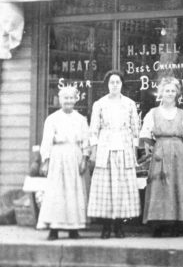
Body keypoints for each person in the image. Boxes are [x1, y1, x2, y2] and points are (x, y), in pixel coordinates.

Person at [139, 77, 183, 237]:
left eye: (173, 91)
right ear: (161, 93)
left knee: (177, 185)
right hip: (160, 151)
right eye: (167, 90)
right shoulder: (153, 113)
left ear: (177, 94)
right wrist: (155, 146)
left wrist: (175, 145)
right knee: (160, 187)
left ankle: (176, 224)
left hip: (178, 152)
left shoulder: (182, 114)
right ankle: (158, 224)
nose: (170, 94)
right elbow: (144, 134)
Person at [88, 70, 141, 239]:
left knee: (122, 190)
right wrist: (94, 151)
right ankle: (105, 227)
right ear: (107, 85)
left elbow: (135, 131)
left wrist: (134, 151)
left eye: (117, 82)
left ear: (122, 84)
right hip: (106, 151)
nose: (115, 85)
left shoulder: (130, 104)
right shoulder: (100, 104)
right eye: (112, 82)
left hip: (124, 150)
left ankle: (118, 227)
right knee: (105, 190)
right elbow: (93, 130)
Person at [37, 87, 90, 240]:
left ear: (75, 99)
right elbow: (46, 141)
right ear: (60, 100)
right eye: (65, 98)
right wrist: (45, 161)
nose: (68, 101)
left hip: (74, 156)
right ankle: (54, 229)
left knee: (74, 192)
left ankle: (73, 229)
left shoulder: (80, 119)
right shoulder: (52, 119)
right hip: (58, 157)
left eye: (71, 98)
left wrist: (84, 159)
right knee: (56, 192)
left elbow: (86, 141)